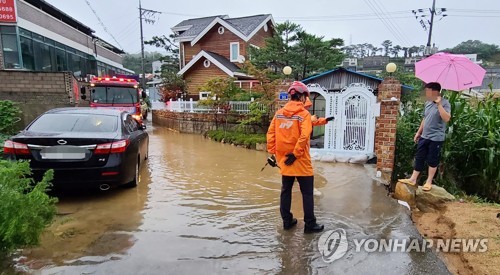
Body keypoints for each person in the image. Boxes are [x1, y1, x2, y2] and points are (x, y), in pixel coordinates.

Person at [266, 81, 324, 233]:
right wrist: (297, 153)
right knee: (307, 193)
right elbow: (305, 136)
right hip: (301, 160)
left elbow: (270, 133)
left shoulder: (279, 114)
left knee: (286, 190)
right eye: (306, 96)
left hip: (285, 160)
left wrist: (274, 153)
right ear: (302, 96)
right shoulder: (303, 115)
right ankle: (310, 225)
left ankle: (287, 221)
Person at [399, 82, 451, 191]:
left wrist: (439, 104)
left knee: (432, 159)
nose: (426, 93)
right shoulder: (427, 103)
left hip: (436, 138)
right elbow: (425, 118)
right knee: (419, 157)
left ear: (435, 91)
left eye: (428, 90)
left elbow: (447, 118)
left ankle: (429, 181)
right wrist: (418, 132)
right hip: (424, 136)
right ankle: (413, 179)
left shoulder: (445, 103)